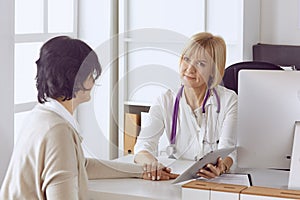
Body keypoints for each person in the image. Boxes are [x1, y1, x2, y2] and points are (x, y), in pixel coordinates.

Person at [0, 36, 178, 200]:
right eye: (90, 74)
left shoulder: (41, 116)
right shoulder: (58, 131)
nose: (93, 82)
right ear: (75, 77)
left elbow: (81, 166)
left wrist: (140, 171)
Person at [134, 32, 237, 180]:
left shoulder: (229, 100)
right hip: (175, 179)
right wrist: (152, 164)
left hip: (214, 182)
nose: (189, 69)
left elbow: (229, 150)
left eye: (201, 64)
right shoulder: (165, 100)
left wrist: (221, 167)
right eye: (187, 59)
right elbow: (142, 146)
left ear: (214, 71)